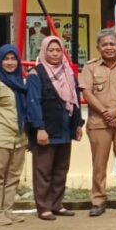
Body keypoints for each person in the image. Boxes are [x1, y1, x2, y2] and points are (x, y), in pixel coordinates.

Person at [79, 29, 116, 217]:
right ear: (98, 47)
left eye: (112, 44)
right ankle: (98, 200)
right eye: (104, 44)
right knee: (99, 164)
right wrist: (106, 112)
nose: (108, 47)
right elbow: (86, 93)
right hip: (99, 123)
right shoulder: (90, 68)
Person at [26, 35, 84, 220]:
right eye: (51, 50)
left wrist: (77, 124)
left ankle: (57, 204)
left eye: (58, 50)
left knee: (61, 169)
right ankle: (43, 208)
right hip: (46, 130)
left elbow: (75, 101)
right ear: (43, 51)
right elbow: (33, 103)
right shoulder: (36, 74)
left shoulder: (68, 73)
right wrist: (39, 128)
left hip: (65, 128)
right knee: (43, 170)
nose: (55, 53)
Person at [0, 45, 29, 226]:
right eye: (6, 59)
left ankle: (7, 210)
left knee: (13, 176)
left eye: (13, 59)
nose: (10, 63)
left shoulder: (20, 81)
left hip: (19, 136)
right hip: (0, 136)